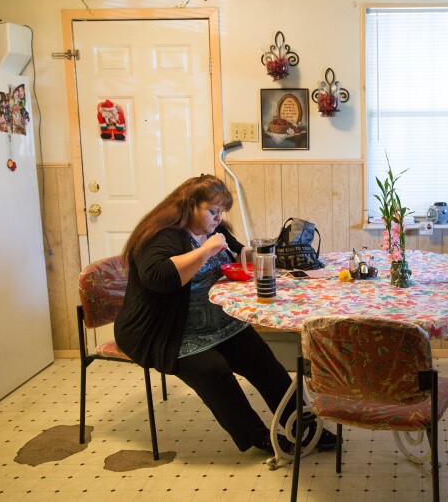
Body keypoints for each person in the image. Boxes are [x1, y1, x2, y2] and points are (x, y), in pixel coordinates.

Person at [114, 174, 336, 455]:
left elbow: (238, 253)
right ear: (191, 204)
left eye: (221, 212)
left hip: (218, 323)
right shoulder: (162, 235)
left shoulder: (214, 230)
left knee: (262, 359)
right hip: (167, 332)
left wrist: (274, 257)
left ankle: (304, 426)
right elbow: (159, 277)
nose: (218, 218)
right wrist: (205, 251)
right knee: (213, 370)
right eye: (213, 211)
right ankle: (259, 437)